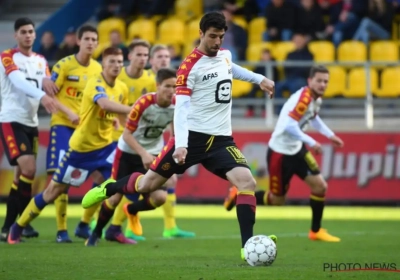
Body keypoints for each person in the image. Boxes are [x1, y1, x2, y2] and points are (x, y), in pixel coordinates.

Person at [81, 12, 276, 260]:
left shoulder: (224, 56)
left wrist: (260, 79)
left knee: (247, 183)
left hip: (220, 140)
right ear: (201, 34)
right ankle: (108, 189)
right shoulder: (188, 67)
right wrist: (181, 145)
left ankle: (247, 247)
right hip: (191, 139)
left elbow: (232, 69)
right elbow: (181, 110)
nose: (217, 42)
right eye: (213, 37)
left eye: (221, 37)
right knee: (147, 185)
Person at [7, 47, 132, 244]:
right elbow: (106, 105)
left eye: (119, 61)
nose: (116, 66)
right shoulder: (95, 83)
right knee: (53, 191)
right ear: (103, 64)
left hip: (105, 148)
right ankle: (18, 226)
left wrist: (123, 125)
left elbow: (122, 117)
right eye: (112, 62)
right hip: (81, 150)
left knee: (117, 189)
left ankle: (93, 231)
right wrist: (135, 108)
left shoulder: (122, 88)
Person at [224, 65, 343, 242]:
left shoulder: (315, 99)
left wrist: (330, 135)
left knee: (320, 186)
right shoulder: (304, 98)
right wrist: (312, 142)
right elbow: (289, 125)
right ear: (310, 81)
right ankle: (239, 193)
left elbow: (313, 117)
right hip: (280, 153)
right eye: (319, 80)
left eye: (325, 81)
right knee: (277, 200)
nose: (322, 84)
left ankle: (315, 231)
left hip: (297, 149)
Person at [87, 68, 185, 245]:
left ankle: (130, 210)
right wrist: (143, 154)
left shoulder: (177, 104)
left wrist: (168, 155)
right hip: (128, 153)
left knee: (160, 197)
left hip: (153, 153)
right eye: (167, 86)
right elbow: (126, 135)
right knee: (115, 197)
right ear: (157, 86)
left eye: (174, 86)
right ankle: (95, 233)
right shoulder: (144, 103)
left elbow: (174, 134)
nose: (171, 90)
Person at [0, 17, 57, 242]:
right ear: (16, 35)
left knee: (20, 176)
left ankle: (12, 226)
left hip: (32, 122)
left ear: (35, 34)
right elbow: (18, 81)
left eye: (30, 31)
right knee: (30, 169)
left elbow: (49, 82)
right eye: (23, 32)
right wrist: (43, 95)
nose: (27, 35)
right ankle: (17, 224)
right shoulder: (7, 56)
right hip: (11, 120)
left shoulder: (41, 60)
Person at [47, 25, 102, 243]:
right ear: (78, 41)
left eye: (94, 39)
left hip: (86, 130)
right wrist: (69, 112)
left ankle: (84, 224)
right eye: (86, 38)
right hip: (63, 125)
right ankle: (61, 230)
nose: (90, 42)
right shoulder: (64, 65)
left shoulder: (98, 69)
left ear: (97, 43)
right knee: (62, 178)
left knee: (102, 176)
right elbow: (49, 95)